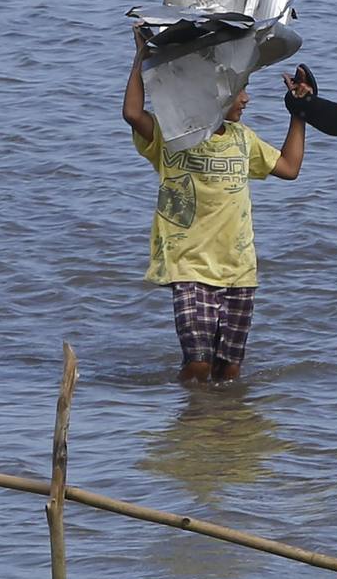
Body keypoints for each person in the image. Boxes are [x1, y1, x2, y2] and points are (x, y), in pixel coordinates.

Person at [122, 25, 309, 382]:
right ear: (216, 94)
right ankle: (191, 426)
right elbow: (133, 113)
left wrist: (299, 112)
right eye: (241, 90)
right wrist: (142, 58)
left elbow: (289, 167)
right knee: (198, 365)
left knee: (229, 371)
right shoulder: (173, 135)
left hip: (239, 269)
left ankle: (223, 430)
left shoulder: (242, 139)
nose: (246, 99)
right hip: (190, 267)